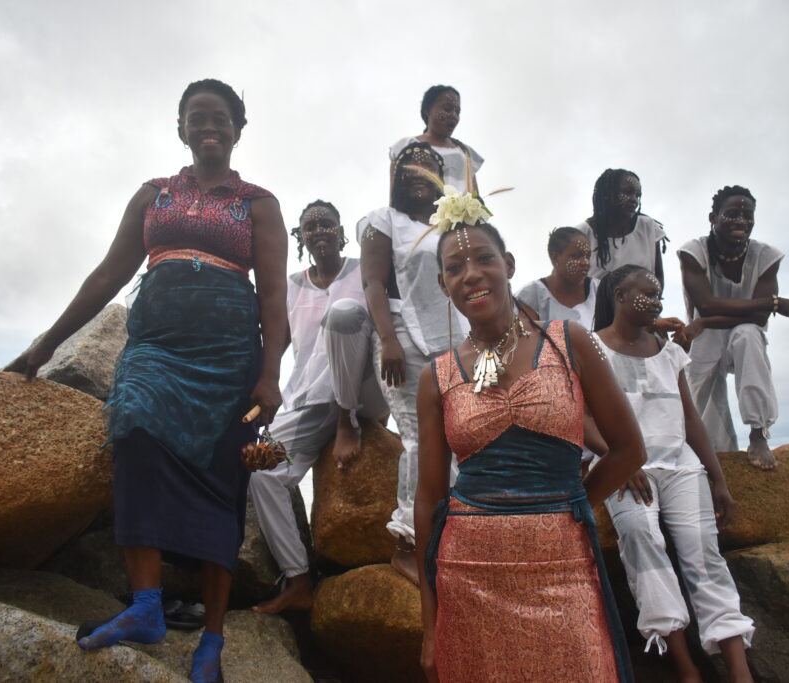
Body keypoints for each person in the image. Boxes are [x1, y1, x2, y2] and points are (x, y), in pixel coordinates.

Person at [6, 78, 287, 683]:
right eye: (196, 118)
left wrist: (269, 375)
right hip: (155, 348)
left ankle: (211, 640)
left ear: (239, 130)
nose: (208, 127)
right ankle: (145, 607)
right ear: (180, 128)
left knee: (221, 482)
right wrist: (46, 342)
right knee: (131, 427)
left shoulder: (259, 203)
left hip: (229, 354)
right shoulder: (152, 195)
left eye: (220, 118)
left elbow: (274, 301)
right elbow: (108, 274)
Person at [415, 204, 647, 681]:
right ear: (442, 284)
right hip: (467, 572)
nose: (471, 274)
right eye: (454, 268)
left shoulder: (568, 342)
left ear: (510, 265)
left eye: (484, 259)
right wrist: (428, 620)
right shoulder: (434, 377)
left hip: (564, 564)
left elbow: (628, 449)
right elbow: (429, 497)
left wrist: (575, 504)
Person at [592, 264, 756, 682]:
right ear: (620, 297)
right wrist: (616, 459)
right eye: (646, 293)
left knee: (703, 548)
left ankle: (739, 669)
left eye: (659, 293)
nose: (658, 301)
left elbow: (690, 417)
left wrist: (717, 478)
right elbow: (581, 414)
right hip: (627, 468)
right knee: (642, 539)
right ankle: (685, 667)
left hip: (680, 465)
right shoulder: (593, 350)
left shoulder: (667, 351)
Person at [248, 200, 388, 614]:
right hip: (310, 402)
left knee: (345, 316)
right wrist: (263, 388)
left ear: (342, 231)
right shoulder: (291, 286)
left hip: (363, 391)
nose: (320, 231)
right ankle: (299, 579)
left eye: (327, 224)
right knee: (260, 472)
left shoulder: (365, 270)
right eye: (311, 227)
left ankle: (349, 421)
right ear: (301, 237)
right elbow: (276, 344)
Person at [359, 141, 469, 585]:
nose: (418, 172)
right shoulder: (381, 221)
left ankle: (452, 536)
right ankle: (408, 542)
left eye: (429, 165)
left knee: (461, 437)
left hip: (453, 339)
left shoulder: (453, 225)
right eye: (409, 165)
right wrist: (387, 338)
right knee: (420, 436)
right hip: (403, 337)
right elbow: (373, 282)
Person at [675, 185, 789, 469]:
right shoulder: (694, 252)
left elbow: (760, 319)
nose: (741, 220)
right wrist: (777, 303)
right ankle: (718, 456)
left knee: (749, 336)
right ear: (713, 217)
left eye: (747, 215)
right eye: (732, 214)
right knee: (701, 399)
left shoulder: (766, 257)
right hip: (705, 337)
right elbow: (707, 302)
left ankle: (758, 432)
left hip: (728, 329)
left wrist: (704, 321)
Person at [577, 168, 666, 286]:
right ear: (607, 194)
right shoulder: (581, 234)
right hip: (594, 304)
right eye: (628, 192)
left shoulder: (647, 226)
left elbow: (658, 277)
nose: (634, 200)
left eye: (637, 195)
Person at [390, 85, 482, 195]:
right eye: (447, 109)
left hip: (459, 212)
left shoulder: (464, 151)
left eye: (457, 112)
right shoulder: (406, 145)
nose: (453, 115)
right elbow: (394, 193)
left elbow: (475, 197)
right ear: (427, 110)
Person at [515, 226, 600, 328]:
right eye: (576, 256)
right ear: (555, 258)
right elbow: (526, 338)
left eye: (588, 256)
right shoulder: (531, 295)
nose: (585, 263)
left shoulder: (599, 290)